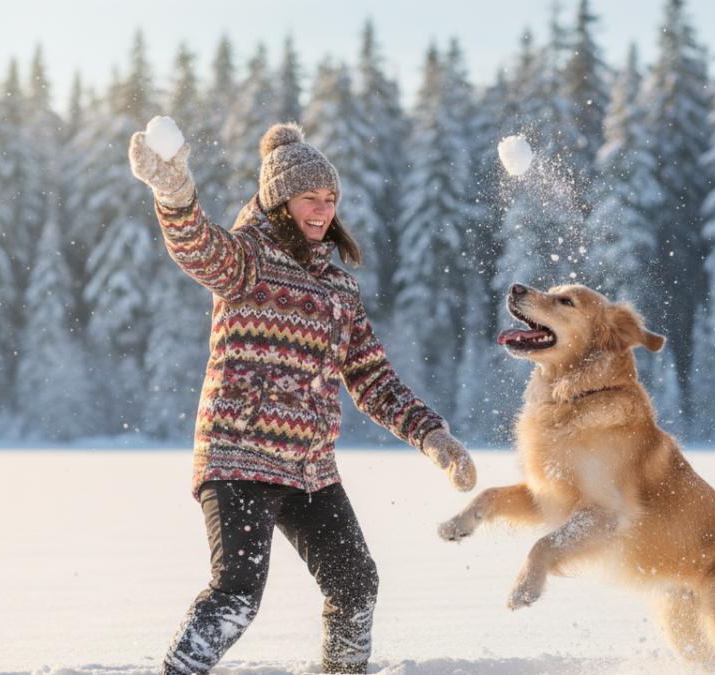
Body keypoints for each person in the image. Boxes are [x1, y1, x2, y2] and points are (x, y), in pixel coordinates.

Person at [128, 120, 477, 675]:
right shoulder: (247, 261)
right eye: (309, 198)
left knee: (356, 585)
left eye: (330, 198)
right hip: (238, 458)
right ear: (279, 200)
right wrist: (175, 194)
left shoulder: (339, 289)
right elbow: (197, 246)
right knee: (238, 592)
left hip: (309, 470)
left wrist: (434, 436)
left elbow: (373, 379)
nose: (322, 210)